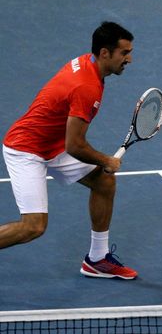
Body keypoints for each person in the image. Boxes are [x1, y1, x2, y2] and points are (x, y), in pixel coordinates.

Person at [1, 21, 138, 279]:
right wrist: (105, 159)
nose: (129, 59)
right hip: (26, 149)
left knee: (104, 182)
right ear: (105, 53)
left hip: (52, 143)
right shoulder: (86, 87)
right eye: (124, 53)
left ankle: (97, 259)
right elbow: (74, 145)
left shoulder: (87, 63)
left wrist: (103, 166)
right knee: (33, 227)